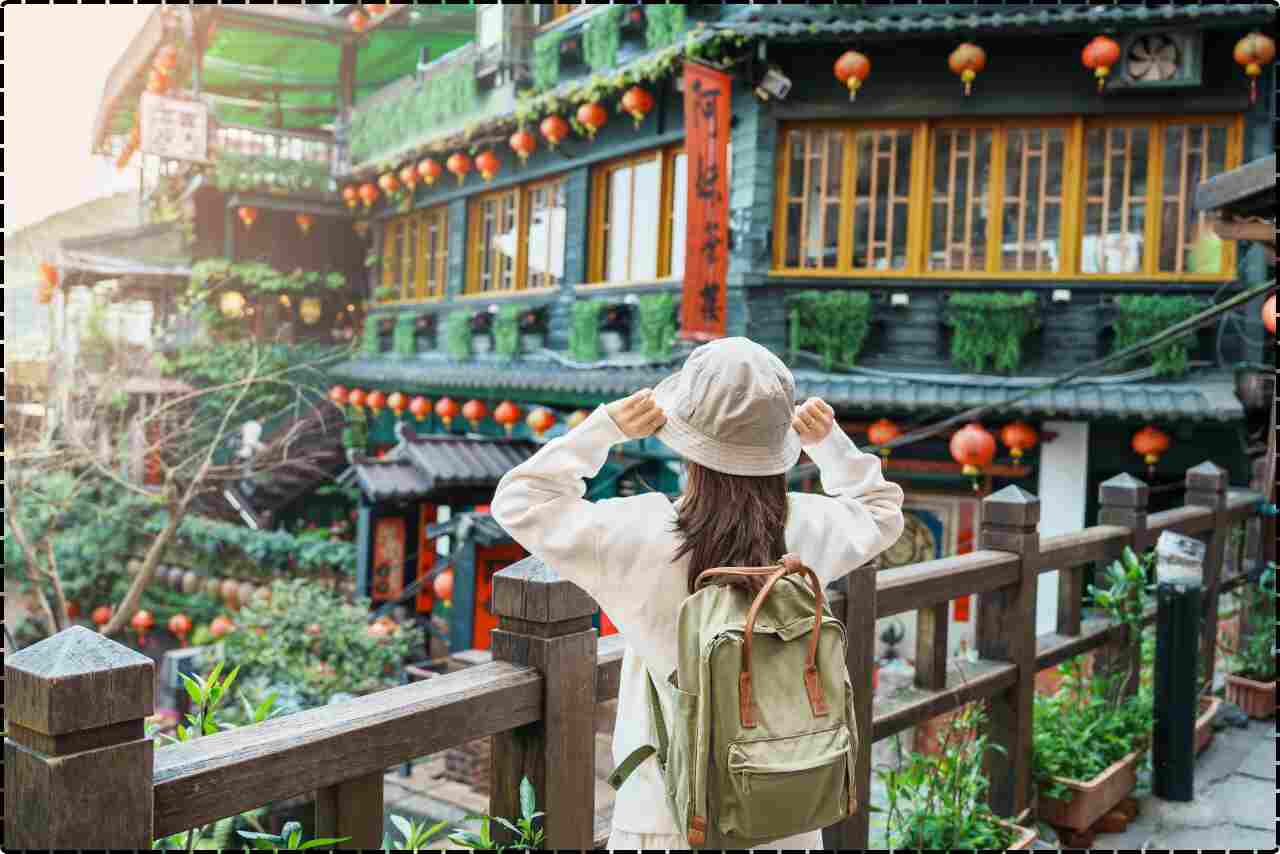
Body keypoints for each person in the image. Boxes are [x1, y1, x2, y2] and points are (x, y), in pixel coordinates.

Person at [492, 337, 905, 851]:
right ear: (779, 446)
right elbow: (883, 511)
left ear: (686, 446)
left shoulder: (638, 533)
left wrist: (605, 428)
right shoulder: (808, 527)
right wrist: (830, 444)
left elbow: (518, 500)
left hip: (664, 812)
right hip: (784, 804)